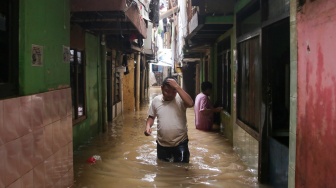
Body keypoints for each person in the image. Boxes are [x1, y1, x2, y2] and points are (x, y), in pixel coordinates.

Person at [144, 76, 194, 163]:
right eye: (167, 91)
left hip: (180, 143)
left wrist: (177, 87)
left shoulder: (181, 99)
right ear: (162, 88)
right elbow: (151, 117)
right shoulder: (156, 100)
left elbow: (191, 104)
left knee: (182, 170)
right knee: (163, 170)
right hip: (162, 145)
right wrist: (148, 126)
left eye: (173, 91)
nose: (170, 94)